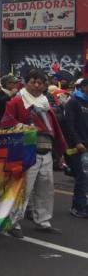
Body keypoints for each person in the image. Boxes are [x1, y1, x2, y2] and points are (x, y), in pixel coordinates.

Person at [0, 69, 67, 237]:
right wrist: (27, 129)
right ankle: (13, 223)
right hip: (26, 152)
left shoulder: (45, 101)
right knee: (23, 189)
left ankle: (43, 221)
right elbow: (6, 124)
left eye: (40, 83)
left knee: (45, 188)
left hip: (47, 150)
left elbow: (54, 129)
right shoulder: (16, 101)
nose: (37, 86)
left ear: (45, 85)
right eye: (33, 82)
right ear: (26, 83)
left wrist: (60, 151)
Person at [60, 78, 88, 218]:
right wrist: (77, 142)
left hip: (86, 147)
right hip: (77, 147)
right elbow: (68, 124)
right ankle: (78, 207)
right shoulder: (73, 102)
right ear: (84, 87)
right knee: (82, 177)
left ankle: (84, 204)